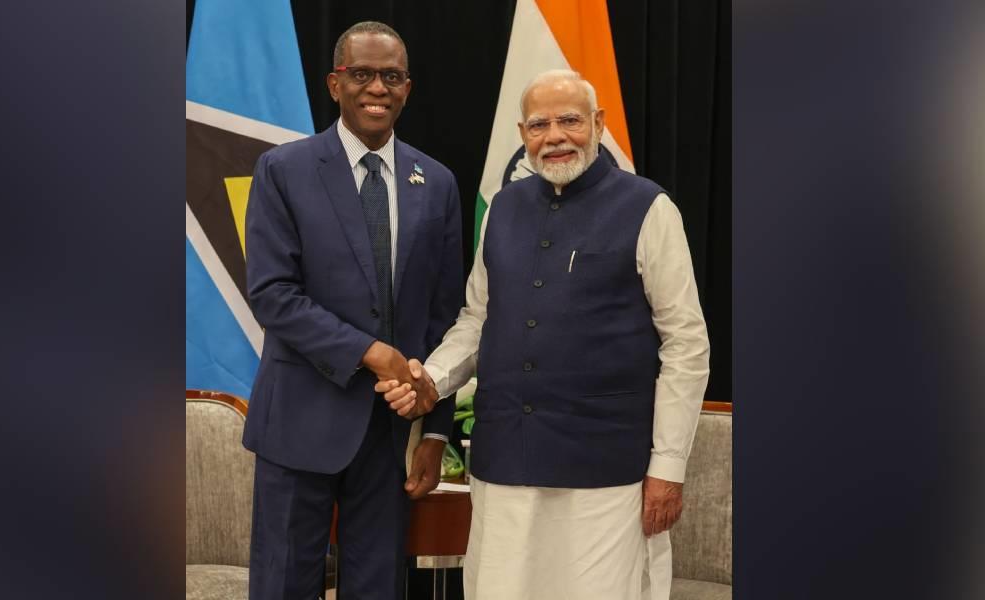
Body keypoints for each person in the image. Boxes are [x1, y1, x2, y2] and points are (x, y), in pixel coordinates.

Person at [379, 69, 711, 599]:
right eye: (539, 124)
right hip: (503, 463)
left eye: (569, 120)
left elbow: (687, 346)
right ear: (522, 133)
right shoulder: (502, 209)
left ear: (598, 124)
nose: (554, 135)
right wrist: (432, 380)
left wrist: (667, 468)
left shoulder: (649, 207)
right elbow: (477, 319)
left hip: (606, 470)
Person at [241, 21, 464, 600]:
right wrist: (371, 352)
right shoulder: (282, 170)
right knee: (284, 585)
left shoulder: (436, 183)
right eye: (362, 74)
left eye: (391, 77)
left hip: (390, 436)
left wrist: (435, 434)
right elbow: (272, 294)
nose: (377, 88)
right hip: (298, 424)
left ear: (408, 89)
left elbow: (446, 319)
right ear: (334, 83)